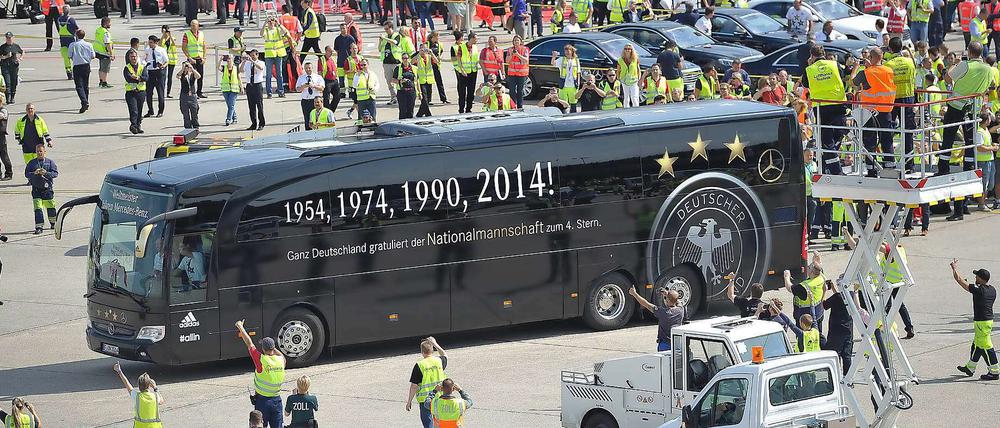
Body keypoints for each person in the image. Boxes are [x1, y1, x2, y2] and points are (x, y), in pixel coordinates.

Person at [942, 42, 993, 221]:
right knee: (970, 142)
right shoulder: (988, 69)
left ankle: (943, 168)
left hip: (957, 106)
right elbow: (988, 87)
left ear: (969, 52)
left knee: (948, 138)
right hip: (973, 109)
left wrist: (953, 64)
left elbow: (948, 79)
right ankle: (969, 166)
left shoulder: (965, 65)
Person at [850, 47, 897, 175]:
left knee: (869, 140)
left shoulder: (866, 72)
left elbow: (853, 82)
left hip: (869, 111)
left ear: (870, 58)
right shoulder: (889, 70)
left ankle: (871, 170)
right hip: (886, 110)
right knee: (886, 139)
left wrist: (855, 68)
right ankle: (890, 167)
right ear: (882, 57)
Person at [804, 45, 848, 180]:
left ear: (812, 56)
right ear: (824, 53)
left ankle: (835, 171)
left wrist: (810, 65)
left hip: (822, 107)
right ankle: (831, 166)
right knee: (840, 133)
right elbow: (842, 77)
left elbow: (806, 84)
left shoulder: (809, 69)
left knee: (827, 140)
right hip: (838, 104)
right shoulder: (834, 64)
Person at [951, 260, 998, 380]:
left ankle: (994, 372)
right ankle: (970, 368)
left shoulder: (979, 290)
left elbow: (959, 280)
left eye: (977, 276)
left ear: (981, 278)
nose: (975, 277)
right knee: (977, 345)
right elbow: (974, 288)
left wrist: (954, 268)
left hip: (982, 323)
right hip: (987, 321)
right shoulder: (992, 290)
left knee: (987, 347)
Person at [235, 319, 286, 427]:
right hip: (277, 401)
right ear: (273, 348)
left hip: (263, 401)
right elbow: (280, 355)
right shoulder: (281, 360)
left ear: (263, 348)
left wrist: (240, 327)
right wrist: (273, 348)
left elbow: (249, 343)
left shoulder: (261, 360)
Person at [406, 337, 448, 428]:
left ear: (422, 352)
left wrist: (409, 401)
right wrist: (435, 343)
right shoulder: (439, 361)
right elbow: (444, 355)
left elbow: (414, 386)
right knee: (440, 423)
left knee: (428, 425)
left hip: (425, 400)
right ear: (432, 350)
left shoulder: (419, 365)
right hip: (440, 398)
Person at [629, 285, 685, 351]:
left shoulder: (663, 312)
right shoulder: (680, 310)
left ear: (667, 300)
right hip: (677, 343)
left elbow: (646, 304)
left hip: (665, 344)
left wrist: (634, 294)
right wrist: (668, 295)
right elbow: (676, 300)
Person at [822, 278, 859, 375]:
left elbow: (824, 305)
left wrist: (824, 291)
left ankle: (835, 375)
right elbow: (841, 298)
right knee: (847, 355)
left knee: (834, 354)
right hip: (848, 330)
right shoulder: (851, 295)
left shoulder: (836, 297)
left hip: (836, 331)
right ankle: (848, 376)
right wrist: (834, 289)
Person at [784, 251, 826, 334]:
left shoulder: (804, 287)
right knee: (817, 335)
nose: (807, 267)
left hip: (805, 319)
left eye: (809, 267)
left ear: (812, 272)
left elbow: (789, 288)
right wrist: (817, 259)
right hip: (819, 313)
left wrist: (787, 277)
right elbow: (819, 267)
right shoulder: (821, 277)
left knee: (804, 338)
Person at [113, 362, 164, 428]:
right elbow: (162, 401)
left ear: (139, 386)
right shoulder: (155, 397)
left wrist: (119, 371)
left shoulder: (137, 397)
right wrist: (155, 387)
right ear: (149, 385)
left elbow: (127, 383)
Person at [25, 144, 57, 235]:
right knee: (38, 208)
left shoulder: (50, 162)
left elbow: (55, 174)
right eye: (37, 151)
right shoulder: (32, 163)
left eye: (41, 151)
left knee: (51, 207)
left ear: (44, 152)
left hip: (47, 190)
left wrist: (46, 173)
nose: (39, 153)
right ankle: (39, 227)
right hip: (36, 189)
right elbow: (26, 174)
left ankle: (53, 223)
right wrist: (34, 173)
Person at [67, 29, 94, 114]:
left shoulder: (73, 45)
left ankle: (84, 101)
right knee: (85, 85)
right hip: (86, 65)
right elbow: (93, 55)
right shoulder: (89, 44)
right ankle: (86, 101)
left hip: (77, 66)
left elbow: (69, 55)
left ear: (76, 36)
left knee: (79, 86)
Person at [261, 18, 290, 99]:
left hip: (278, 54)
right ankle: (269, 93)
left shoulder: (278, 29)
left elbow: (285, 32)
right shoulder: (266, 30)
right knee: (268, 75)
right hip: (269, 55)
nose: (271, 22)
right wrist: (264, 23)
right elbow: (261, 34)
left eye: (272, 21)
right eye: (269, 21)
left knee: (279, 74)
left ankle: (281, 92)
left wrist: (279, 24)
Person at [123, 50, 148, 135]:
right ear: (129, 58)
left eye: (134, 56)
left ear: (137, 57)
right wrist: (139, 79)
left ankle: (138, 125)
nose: (133, 58)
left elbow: (146, 77)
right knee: (133, 110)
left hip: (141, 92)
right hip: (131, 92)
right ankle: (133, 125)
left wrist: (137, 78)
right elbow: (128, 78)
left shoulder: (142, 67)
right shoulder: (127, 68)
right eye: (131, 57)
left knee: (140, 110)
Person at [380, 23, 405, 105]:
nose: (386, 31)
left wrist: (385, 38)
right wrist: (380, 41)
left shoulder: (397, 36)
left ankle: (401, 96)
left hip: (396, 62)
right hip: (386, 62)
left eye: (387, 29)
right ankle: (393, 97)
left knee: (398, 80)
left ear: (391, 28)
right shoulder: (385, 37)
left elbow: (395, 42)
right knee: (389, 81)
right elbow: (380, 49)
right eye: (385, 29)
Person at [144, 36, 168, 119]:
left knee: (160, 92)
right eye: (149, 42)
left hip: (159, 72)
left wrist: (163, 66)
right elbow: (145, 59)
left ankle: (160, 111)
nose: (149, 44)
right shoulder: (147, 50)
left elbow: (166, 61)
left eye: (151, 42)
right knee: (148, 93)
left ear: (155, 43)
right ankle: (150, 110)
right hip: (150, 72)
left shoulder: (161, 50)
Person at [182, 20, 208, 98]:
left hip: (200, 58)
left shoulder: (201, 34)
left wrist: (204, 57)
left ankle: (199, 92)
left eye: (194, 25)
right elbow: (184, 47)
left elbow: (204, 46)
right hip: (192, 59)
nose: (193, 27)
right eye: (192, 25)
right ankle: (192, 93)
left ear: (198, 26)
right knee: (192, 77)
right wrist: (189, 57)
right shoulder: (187, 34)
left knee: (200, 76)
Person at [456, 33, 481, 114]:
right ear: (471, 39)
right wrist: (462, 70)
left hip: (473, 72)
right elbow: (458, 59)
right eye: (476, 38)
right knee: (462, 92)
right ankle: (461, 109)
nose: (477, 40)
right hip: (464, 73)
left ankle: (468, 109)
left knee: (471, 92)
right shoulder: (462, 47)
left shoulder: (475, 47)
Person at [552, 45, 582, 113]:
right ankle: (563, 116)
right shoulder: (561, 59)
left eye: (569, 50)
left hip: (573, 85)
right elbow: (553, 64)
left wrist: (578, 84)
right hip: (563, 85)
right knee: (563, 104)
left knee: (573, 104)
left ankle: (573, 116)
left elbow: (578, 73)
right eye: (566, 51)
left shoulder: (576, 60)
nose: (567, 52)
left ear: (572, 51)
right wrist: (554, 57)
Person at [297, 61, 325, 130]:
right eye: (306, 68)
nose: (308, 69)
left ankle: (318, 132)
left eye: (309, 68)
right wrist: (303, 86)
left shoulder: (318, 77)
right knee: (307, 119)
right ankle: (308, 132)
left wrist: (314, 86)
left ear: (312, 68)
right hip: (305, 101)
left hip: (315, 100)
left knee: (317, 118)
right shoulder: (301, 78)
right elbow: (297, 89)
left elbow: (322, 88)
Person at [243, 49, 266, 131]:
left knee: (259, 105)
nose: (252, 57)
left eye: (253, 55)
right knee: (251, 106)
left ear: (257, 55)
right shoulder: (247, 63)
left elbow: (261, 68)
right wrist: (243, 61)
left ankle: (261, 123)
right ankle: (253, 123)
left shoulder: (261, 62)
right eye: (251, 55)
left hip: (257, 85)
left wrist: (253, 62)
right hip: (249, 85)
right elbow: (241, 70)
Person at [505, 36, 530, 109]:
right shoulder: (510, 50)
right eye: (515, 40)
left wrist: (517, 55)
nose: (516, 42)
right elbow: (507, 61)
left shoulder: (525, 49)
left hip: (522, 74)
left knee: (520, 91)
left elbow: (526, 60)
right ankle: (512, 106)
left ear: (520, 42)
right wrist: (512, 55)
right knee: (512, 91)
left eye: (517, 40)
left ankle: (520, 106)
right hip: (512, 74)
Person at [55, 5, 79, 80]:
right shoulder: (71, 19)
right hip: (70, 40)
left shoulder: (59, 19)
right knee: (74, 57)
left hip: (62, 40)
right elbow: (76, 29)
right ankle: (76, 73)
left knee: (66, 58)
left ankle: (69, 73)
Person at [177, 60, 202, 130]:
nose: (187, 68)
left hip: (192, 95)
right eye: (186, 67)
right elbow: (177, 76)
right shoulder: (182, 75)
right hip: (184, 95)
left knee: (194, 111)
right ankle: (187, 127)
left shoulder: (192, 74)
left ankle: (196, 126)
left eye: (187, 67)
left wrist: (192, 69)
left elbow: (199, 76)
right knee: (185, 113)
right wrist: (183, 69)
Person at [353, 60, 379, 124]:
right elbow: (354, 85)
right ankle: (360, 128)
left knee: (372, 117)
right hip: (362, 100)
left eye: (364, 65)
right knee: (361, 118)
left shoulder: (372, 74)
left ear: (368, 64)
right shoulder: (357, 74)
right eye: (361, 65)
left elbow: (377, 84)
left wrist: (374, 89)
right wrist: (358, 76)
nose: (363, 66)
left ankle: (372, 128)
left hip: (371, 98)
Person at [299, 0, 323, 67]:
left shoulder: (309, 12)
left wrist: (302, 32)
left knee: (315, 51)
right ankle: (298, 67)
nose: (301, 5)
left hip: (312, 36)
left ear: (307, 3)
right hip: (310, 35)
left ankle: (325, 63)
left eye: (302, 3)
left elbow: (308, 24)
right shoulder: (307, 11)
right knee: (304, 52)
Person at [334, 24, 358, 90]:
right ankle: (342, 93)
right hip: (340, 62)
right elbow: (336, 49)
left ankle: (351, 92)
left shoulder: (351, 38)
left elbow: (354, 48)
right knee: (341, 80)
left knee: (351, 80)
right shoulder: (337, 39)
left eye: (344, 28)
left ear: (346, 28)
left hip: (350, 63)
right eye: (341, 28)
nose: (342, 30)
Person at [220, 55, 242, 126]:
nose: (228, 60)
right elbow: (218, 68)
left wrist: (241, 87)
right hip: (226, 89)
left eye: (229, 58)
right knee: (230, 105)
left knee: (231, 105)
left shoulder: (236, 68)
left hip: (234, 90)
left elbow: (239, 78)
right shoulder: (225, 68)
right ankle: (235, 118)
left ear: (232, 60)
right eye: (227, 59)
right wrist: (220, 60)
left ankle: (228, 119)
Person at [427, 32, 448, 104]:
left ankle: (443, 99)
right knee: (429, 82)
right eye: (437, 37)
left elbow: (440, 51)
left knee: (439, 82)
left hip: (436, 65)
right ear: (433, 37)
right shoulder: (427, 44)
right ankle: (428, 100)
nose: (438, 38)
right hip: (428, 66)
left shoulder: (439, 44)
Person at [0, 33, 22, 104]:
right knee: (7, 82)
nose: (8, 39)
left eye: (10, 38)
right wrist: (6, 56)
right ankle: (8, 98)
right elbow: (0, 56)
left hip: (14, 66)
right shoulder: (3, 47)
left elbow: (22, 52)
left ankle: (12, 97)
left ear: (13, 38)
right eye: (7, 38)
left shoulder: (15, 46)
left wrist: (20, 58)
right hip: (5, 66)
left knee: (14, 82)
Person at [415, 47, 437, 117]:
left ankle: (420, 113)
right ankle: (428, 114)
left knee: (428, 99)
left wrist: (432, 53)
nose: (423, 51)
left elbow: (437, 61)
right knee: (424, 98)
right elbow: (411, 62)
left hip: (429, 80)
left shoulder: (429, 57)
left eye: (425, 50)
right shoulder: (418, 57)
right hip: (421, 81)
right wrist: (418, 54)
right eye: (422, 50)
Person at [319, 46, 341, 113]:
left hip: (334, 80)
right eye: (330, 51)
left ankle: (330, 112)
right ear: (326, 51)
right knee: (326, 99)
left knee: (337, 97)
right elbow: (320, 72)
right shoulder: (322, 59)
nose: (331, 53)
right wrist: (321, 83)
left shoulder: (332, 58)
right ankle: (327, 113)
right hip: (326, 81)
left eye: (332, 51)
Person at [94, 18, 115, 89]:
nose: (110, 24)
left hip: (98, 51)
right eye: (109, 23)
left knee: (101, 68)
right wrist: (111, 54)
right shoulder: (105, 33)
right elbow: (107, 43)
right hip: (104, 52)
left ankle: (101, 81)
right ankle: (104, 83)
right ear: (106, 24)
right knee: (105, 69)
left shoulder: (99, 30)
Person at [0, 97, 10, 181]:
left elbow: (2, 116)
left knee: (4, 156)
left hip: (1, 136)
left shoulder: (3, 110)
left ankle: (9, 173)